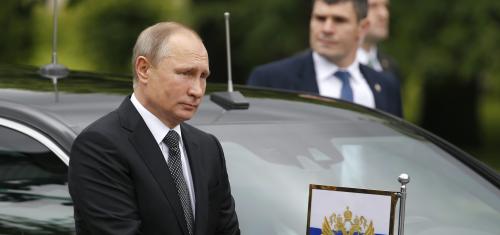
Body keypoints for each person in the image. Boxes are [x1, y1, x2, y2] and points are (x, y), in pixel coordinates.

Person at [68, 22, 240, 235]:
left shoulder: (207, 147)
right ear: (144, 69)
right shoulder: (100, 146)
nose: (197, 90)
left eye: (203, 76)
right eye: (186, 73)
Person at [247, 0, 402, 117]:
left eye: (339, 20)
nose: (327, 29)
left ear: (362, 28)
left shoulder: (386, 86)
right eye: (320, 18)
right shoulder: (271, 80)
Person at [357, 0, 403, 83]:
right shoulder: (336, 65)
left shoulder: (390, 67)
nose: (384, 14)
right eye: (373, 6)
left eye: (386, 6)